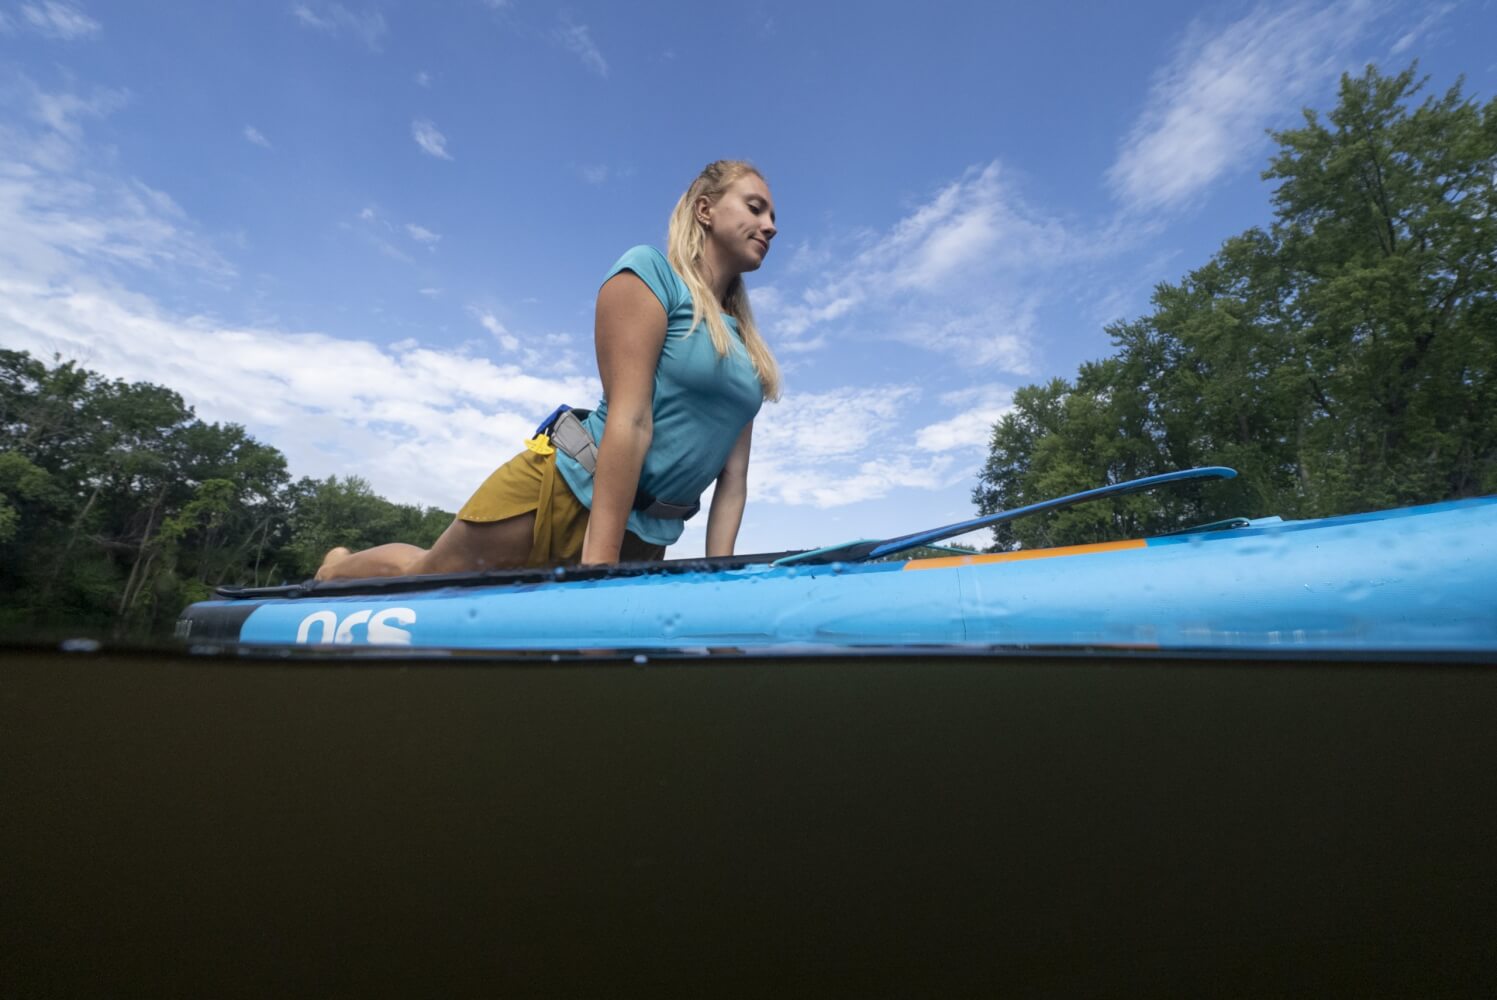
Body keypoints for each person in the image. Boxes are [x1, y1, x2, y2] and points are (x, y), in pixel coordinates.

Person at [316, 160, 781, 580]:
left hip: (647, 534)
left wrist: (721, 576)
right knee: (423, 577)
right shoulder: (649, 273)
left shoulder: (749, 352)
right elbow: (631, 418)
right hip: (565, 491)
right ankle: (336, 567)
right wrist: (598, 568)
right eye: (756, 208)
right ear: (705, 210)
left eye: (773, 217)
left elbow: (733, 479)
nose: (770, 226)